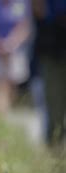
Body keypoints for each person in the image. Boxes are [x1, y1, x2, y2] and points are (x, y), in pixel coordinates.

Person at [33, 0, 66, 145]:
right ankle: (54, 147)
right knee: (54, 105)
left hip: (53, 45)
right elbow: (38, 9)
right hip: (53, 47)